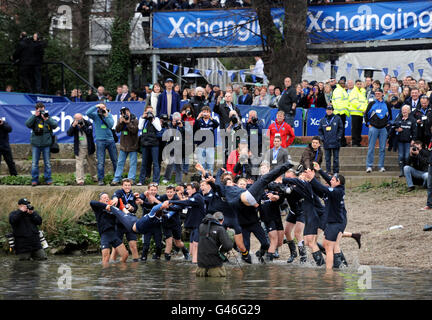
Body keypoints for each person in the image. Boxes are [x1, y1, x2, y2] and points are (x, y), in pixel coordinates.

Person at [310, 163, 347, 270]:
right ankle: (340, 266)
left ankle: (329, 272)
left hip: (337, 222)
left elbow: (324, 188)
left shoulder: (337, 191)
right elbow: (327, 183)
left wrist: (312, 179)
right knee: (327, 244)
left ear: (338, 182)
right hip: (332, 221)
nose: (330, 181)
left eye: (333, 180)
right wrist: (320, 170)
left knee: (329, 247)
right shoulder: (334, 188)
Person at [169, 182, 206, 264]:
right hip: (193, 226)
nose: (187, 191)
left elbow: (186, 202)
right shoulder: (192, 197)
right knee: (192, 245)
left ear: (194, 189)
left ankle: (195, 263)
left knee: (196, 244)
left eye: (188, 189)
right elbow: (180, 207)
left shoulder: (197, 197)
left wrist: (172, 201)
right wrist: (168, 207)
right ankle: (192, 261)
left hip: (199, 225)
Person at [90, 193, 129, 265]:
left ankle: (120, 271)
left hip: (114, 235)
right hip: (105, 235)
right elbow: (92, 202)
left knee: (125, 255)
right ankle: (105, 274)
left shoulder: (113, 209)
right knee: (106, 258)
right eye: (104, 198)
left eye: (107, 197)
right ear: (100, 200)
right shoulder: (98, 209)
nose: (107, 199)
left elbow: (120, 202)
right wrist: (106, 206)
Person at [25, 102, 58, 186]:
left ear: (44, 108)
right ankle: (34, 179)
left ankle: (48, 179)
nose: (41, 112)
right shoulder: (34, 118)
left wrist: (47, 119)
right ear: (36, 110)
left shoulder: (47, 117)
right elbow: (27, 124)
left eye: (42, 109)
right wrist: (34, 116)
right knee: (34, 163)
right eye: (39, 110)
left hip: (46, 144)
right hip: (36, 144)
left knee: (47, 163)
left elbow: (55, 125)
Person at [86, 103, 118, 185]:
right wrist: (96, 106)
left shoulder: (109, 115)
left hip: (110, 140)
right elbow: (88, 113)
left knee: (115, 160)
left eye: (104, 107)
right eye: (101, 108)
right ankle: (100, 180)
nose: (102, 109)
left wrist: (106, 115)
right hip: (100, 140)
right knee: (100, 162)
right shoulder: (95, 116)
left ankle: (117, 178)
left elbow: (111, 125)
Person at [110, 179, 140, 261]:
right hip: (119, 223)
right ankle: (111, 264)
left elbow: (135, 209)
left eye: (129, 185)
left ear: (131, 186)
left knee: (133, 245)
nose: (127, 187)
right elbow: (115, 196)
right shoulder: (119, 192)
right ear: (122, 186)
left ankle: (136, 263)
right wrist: (115, 199)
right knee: (115, 248)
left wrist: (131, 208)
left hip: (129, 223)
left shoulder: (132, 195)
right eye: (125, 185)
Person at [196, 212, 233, 277]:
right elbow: (228, 246)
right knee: (216, 285)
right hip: (215, 266)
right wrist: (221, 252)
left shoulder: (201, 226)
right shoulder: (220, 229)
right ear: (222, 220)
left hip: (200, 266)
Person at [160, 186, 190, 261]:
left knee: (178, 243)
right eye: (168, 192)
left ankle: (185, 251)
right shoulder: (163, 197)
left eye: (171, 192)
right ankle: (167, 261)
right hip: (166, 223)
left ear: (174, 192)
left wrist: (167, 208)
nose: (169, 194)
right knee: (168, 242)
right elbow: (156, 203)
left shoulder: (176, 198)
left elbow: (178, 208)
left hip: (175, 223)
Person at [365, 89, 392, 173]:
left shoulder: (386, 104)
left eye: (379, 93)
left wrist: (388, 124)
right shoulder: (371, 103)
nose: (377, 95)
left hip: (383, 129)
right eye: (376, 93)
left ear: (382, 94)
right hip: (373, 128)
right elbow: (366, 115)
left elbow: (390, 116)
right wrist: (368, 124)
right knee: (371, 148)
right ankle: (369, 166)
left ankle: (381, 166)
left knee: (382, 148)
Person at [111, 107, 139, 185]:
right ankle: (116, 179)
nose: (125, 114)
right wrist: (120, 122)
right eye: (123, 113)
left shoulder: (135, 120)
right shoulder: (121, 120)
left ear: (129, 112)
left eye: (126, 112)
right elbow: (117, 130)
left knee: (133, 163)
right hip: (123, 146)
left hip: (133, 145)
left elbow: (134, 130)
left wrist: (128, 122)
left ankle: (131, 179)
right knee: (120, 163)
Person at [67, 113, 97, 185]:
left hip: (89, 147)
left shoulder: (88, 123)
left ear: (82, 118)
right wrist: (73, 126)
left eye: (80, 119)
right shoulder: (74, 124)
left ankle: (95, 177)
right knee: (79, 164)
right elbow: (69, 134)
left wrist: (82, 126)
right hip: (80, 148)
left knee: (92, 163)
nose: (79, 120)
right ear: (75, 119)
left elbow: (89, 132)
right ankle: (80, 180)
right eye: (77, 119)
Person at [138, 105, 162, 185]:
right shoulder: (143, 119)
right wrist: (143, 117)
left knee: (155, 163)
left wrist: (152, 119)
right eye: (148, 111)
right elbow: (140, 127)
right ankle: (141, 180)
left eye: (151, 111)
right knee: (144, 163)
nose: (149, 113)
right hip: (145, 144)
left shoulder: (156, 119)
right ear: (145, 111)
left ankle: (156, 181)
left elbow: (159, 128)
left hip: (154, 144)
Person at [193, 106, 219, 175]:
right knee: (201, 164)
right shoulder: (199, 121)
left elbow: (217, 124)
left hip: (210, 145)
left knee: (210, 164)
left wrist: (210, 117)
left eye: (207, 112)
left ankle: (210, 180)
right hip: (200, 145)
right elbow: (194, 127)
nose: (205, 114)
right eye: (204, 112)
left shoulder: (212, 121)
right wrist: (198, 117)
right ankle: (202, 180)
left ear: (210, 113)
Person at [392, 105, 416, 177]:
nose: (404, 111)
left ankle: (406, 171)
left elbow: (415, 131)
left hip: (409, 141)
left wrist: (413, 139)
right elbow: (393, 127)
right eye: (403, 110)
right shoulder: (398, 118)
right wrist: (396, 129)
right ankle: (401, 171)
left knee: (407, 157)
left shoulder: (413, 120)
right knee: (401, 156)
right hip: (400, 141)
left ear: (409, 111)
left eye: (406, 110)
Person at [318, 107, 344, 174]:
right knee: (327, 159)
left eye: (330, 110)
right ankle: (328, 171)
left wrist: (339, 137)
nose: (329, 111)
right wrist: (322, 138)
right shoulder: (323, 120)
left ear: (332, 111)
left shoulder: (337, 118)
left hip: (336, 141)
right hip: (326, 142)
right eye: (327, 110)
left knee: (336, 159)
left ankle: (336, 172)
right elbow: (320, 130)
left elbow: (341, 128)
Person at [349, 80, 368, 147]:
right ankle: (354, 142)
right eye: (358, 84)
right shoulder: (354, 91)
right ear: (355, 84)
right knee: (355, 128)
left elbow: (365, 102)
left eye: (360, 84)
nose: (359, 85)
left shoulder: (361, 92)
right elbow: (354, 102)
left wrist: (365, 109)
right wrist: (363, 109)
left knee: (359, 128)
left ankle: (358, 142)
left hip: (360, 113)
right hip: (355, 113)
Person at [332, 78, 349, 147]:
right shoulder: (338, 90)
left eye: (344, 83)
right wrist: (342, 111)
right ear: (339, 84)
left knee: (341, 129)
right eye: (341, 83)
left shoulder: (342, 90)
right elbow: (338, 102)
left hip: (342, 112)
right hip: (339, 112)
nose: (343, 84)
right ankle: (340, 142)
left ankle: (342, 141)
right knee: (339, 129)